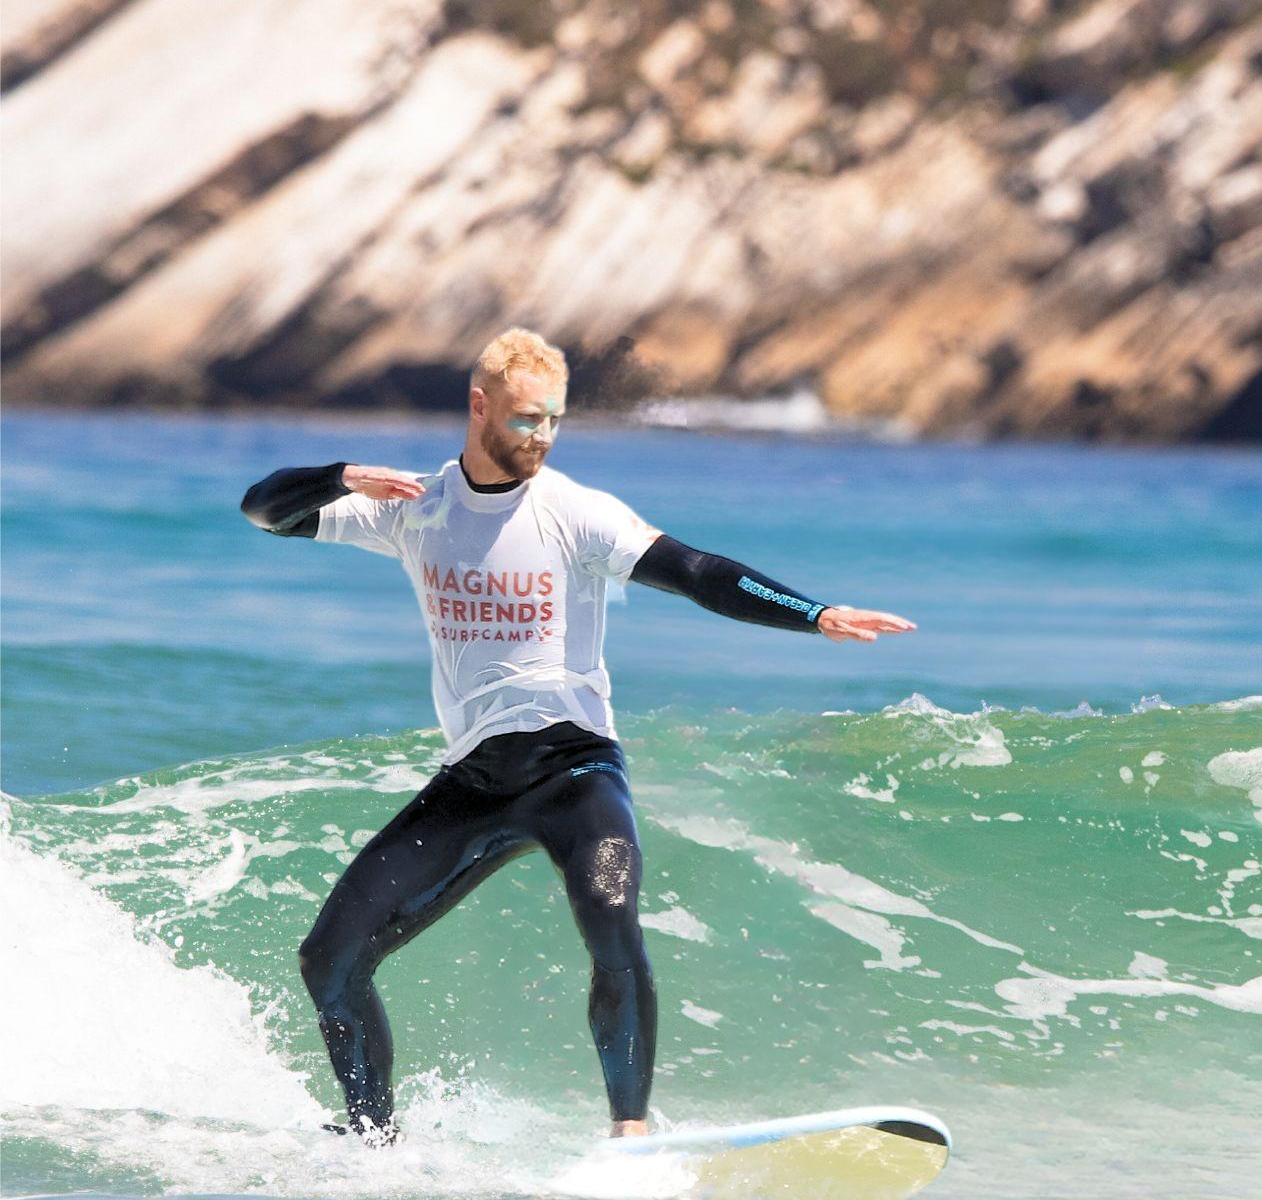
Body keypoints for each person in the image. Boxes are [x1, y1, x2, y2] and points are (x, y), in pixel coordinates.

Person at [241, 327, 916, 1145]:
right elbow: (264, 509)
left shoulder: (575, 512)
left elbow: (696, 572)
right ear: (480, 406)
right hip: (473, 780)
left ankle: (629, 1131)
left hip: (575, 767)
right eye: (527, 418)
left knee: (609, 909)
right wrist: (341, 475)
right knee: (328, 959)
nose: (544, 435)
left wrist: (815, 613)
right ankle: (374, 1140)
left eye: (555, 419)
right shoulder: (416, 508)